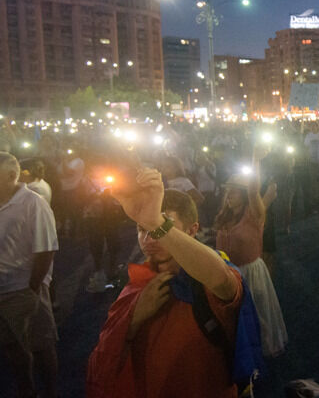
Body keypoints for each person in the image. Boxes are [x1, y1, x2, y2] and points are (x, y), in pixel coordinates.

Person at [86, 179, 245, 397]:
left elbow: (223, 282)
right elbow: (101, 364)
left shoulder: (207, 275)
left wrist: (155, 220)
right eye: (142, 229)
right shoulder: (135, 283)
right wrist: (132, 321)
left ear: (191, 231)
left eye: (160, 228)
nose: (149, 238)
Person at [214, 144, 287, 357]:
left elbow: (254, 190)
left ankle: (257, 357)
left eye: (235, 193)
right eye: (228, 193)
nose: (229, 197)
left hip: (249, 273)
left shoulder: (254, 215)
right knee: (232, 318)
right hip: (228, 273)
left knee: (256, 316)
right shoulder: (224, 217)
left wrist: (256, 159)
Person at [0, 152, 59, 398]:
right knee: (15, 347)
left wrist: (33, 288)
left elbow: (46, 249)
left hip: (25, 287)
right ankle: (27, 389)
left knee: (39, 344)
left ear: (12, 176)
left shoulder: (33, 203)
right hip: (5, 288)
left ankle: (49, 391)